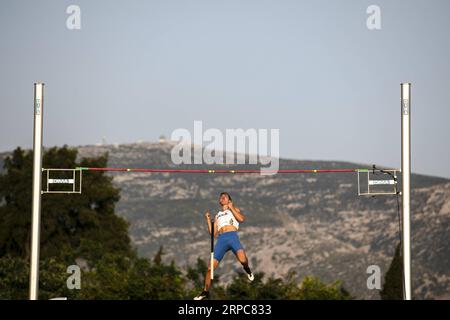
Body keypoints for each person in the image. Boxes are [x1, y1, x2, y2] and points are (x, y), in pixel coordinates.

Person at [194, 192, 254, 300]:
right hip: (222, 239)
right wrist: (208, 220)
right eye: (221, 196)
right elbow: (214, 233)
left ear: (229, 201)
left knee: (243, 260)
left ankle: (247, 269)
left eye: (225, 196)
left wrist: (231, 208)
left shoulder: (235, 210)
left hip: (232, 237)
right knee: (209, 268)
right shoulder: (217, 215)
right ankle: (205, 291)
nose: (222, 197)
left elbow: (241, 219)